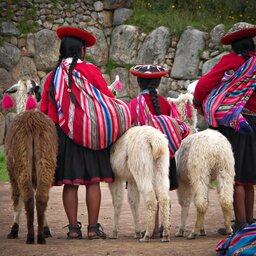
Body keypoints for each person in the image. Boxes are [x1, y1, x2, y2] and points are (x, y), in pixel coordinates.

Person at [40, 26, 116, 240]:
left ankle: (73, 229)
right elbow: (107, 98)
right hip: (91, 135)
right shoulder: (91, 71)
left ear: (62, 51)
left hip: (63, 137)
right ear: (82, 51)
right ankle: (93, 228)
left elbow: (45, 111)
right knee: (92, 181)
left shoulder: (52, 77)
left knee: (70, 183)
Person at [193, 23, 256, 234]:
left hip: (234, 123)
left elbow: (204, 85)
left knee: (233, 173)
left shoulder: (230, 61)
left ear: (234, 45)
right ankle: (249, 220)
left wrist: (198, 102)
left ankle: (240, 223)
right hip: (254, 123)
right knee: (248, 175)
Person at [129, 64, 181, 237]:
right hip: (163, 152)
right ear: (158, 83)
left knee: (148, 188)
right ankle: (160, 226)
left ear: (138, 82)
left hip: (142, 153)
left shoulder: (135, 104)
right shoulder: (166, 103)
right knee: (160, 187)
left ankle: (152, 227)